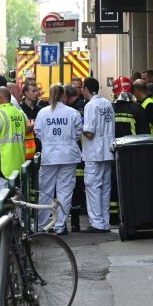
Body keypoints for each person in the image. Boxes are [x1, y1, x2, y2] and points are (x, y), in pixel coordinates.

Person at [34, 84, 83, 235]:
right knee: (65, 192)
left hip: (49, 156)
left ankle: (42, 226)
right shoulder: (72, 112)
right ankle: (60, 226)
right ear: (64, 96)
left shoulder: (43, 112)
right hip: (69, 155)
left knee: (45, 191)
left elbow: (38, 132)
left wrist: (50, 142)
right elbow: (78, 133)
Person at [81, 77, 115, 233]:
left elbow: (89, 132)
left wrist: (79, 127)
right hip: (108, 150)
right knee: (105, 187)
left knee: (93, 186)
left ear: (86, 89)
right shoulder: (108, 104)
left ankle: (96, 223)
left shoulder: (90, 106)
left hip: (94, 152)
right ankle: (105, 221)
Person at [65, 85, 86, 231]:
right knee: (77, 188)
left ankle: (70, 221)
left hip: (75, 153)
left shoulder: (73, 111)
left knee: (70, 188)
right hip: (79, 153)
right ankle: (75, 222)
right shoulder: (79, 108)